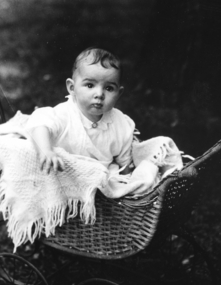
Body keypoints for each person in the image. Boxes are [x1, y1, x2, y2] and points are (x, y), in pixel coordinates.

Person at [26, 47, 160, 192]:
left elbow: (125, 164)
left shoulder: (120, 123)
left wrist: (129, 182)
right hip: (61, 175)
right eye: (90, 85)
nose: (99, 94)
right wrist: (46, 150)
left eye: (109, 88)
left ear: (119, 93)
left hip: (100, 183)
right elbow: (39, 123)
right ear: (72, 87)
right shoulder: (65, 114)